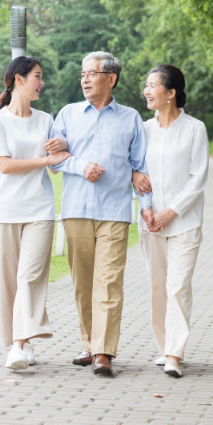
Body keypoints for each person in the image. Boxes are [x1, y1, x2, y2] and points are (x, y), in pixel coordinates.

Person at [49, 51, 152, 377]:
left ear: (111, 78)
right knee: (82, 284)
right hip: (76, 210)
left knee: (108, 283)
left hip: (114, 211)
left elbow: (141, 167)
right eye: (82, 74)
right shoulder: (67, 114)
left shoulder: (131, 118)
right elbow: (53, 158)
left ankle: (103, 352)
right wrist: (81, 166)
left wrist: (146, 205)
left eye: (91, 74)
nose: (85, 79)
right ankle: (89, 344)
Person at [0, 56, 69, 370]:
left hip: (39, 210)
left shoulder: (46, 120)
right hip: (4, 211)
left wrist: (61, 146)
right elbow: (5, 165)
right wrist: (45, 160)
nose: (41, 83)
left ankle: (18, 346)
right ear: (19, 79)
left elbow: (57, 165)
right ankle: (22, 342)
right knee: (9, 283)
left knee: (29, 278)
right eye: (37, 76)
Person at [138, 64, 209, 378]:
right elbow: (138, 174)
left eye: (153, 85)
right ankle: (164, 345)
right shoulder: (143, 130)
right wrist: (147, 209)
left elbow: (198, 178)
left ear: (171, 93)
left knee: (178, 287)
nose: (147, 91)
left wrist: (171, 212)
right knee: (158, 287)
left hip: (184, 223)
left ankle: (174, 354)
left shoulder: (195, 129)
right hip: (151, 222)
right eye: (146, 85)